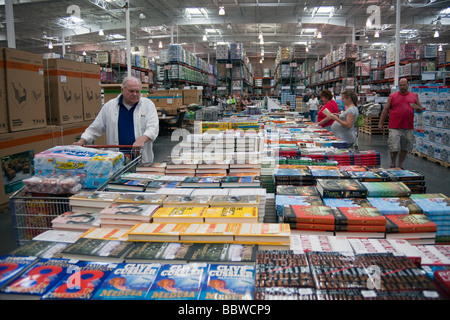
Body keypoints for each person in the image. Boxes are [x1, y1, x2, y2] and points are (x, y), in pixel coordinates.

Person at [73, 76, 159, 164]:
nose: (135, 94)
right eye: (131, 91)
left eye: (137, 91)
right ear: (122, 90)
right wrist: (82, 141)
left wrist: (142, 139)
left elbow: (153, 127)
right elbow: (95, 128)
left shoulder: (148, 105)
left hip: (141, 159)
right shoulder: (109, 106)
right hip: (116, 160)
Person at [378, 78, 423, 169]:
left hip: (408, 126)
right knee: (394, 146)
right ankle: (393, 164)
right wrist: (380, 122)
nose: (402, 87)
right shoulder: (392, 96)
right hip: (394, 126)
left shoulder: (414, 96)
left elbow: (420, 108)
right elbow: (385, 109)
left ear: (408, 85)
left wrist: (418, 109)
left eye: (404, 85)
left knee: (405, 147)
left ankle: (400, 165)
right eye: (400, 85)